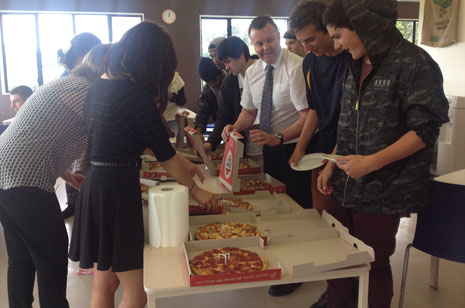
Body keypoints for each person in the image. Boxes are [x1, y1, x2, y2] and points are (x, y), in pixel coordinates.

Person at [68, 22, 217, 308]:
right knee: (137, 295)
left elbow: (132, 138)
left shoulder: (99, 85)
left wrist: (180, 161)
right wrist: (198, 193)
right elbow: (165, 155)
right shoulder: (135, 95)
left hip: (96, 183)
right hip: (117, 191)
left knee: (105, 283)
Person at [318, 1, 450, 307]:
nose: (336, 44)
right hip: (345, 182)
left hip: (384, 188)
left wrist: (370, 164)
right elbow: (348, 124)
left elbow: (424, 131)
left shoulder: (414, 63)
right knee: (338, 258)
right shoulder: (354, 64)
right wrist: (331, 162)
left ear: (365, 25)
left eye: (339, 35)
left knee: (373, 264)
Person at [0, 43, 110, 308]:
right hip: (25, 179)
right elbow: (101, 134)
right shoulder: (86, 90)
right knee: (52, 253)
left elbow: (38, 136)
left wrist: (70, 174)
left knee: (21, 258)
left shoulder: (66, 84)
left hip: (5, 172)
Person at [222, 16, 311, 297]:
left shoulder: (297, 66)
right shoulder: (253, 73)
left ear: (278, 37)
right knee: (274, 212)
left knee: (296, 214)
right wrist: (233, 129)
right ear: (252, 45)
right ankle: (279, 264)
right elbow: (249, 112)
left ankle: (298, 270)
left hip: (295, 149)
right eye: (258, 43)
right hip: (270, 150)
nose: (265, 47)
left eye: (270, 40)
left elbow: (307, 117)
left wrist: (280, 138)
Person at [58, 32, 102, 220]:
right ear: (85, 56)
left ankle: (80, 207)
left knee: (76, 174)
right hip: (72, 139)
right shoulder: (78, 82)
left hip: (72, 140)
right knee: (78, 173)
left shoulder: (73, 77)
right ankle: (76, 206)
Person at [202, 36, 256, 155]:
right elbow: (223, 116)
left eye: (228, 61)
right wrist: (211, 143)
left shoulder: (263, 71)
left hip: (273, 144)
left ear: (241, 54)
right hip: (246, 146)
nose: (226, 67)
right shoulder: (229, 82)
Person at [194, 57, 225, 135]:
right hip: (220, 129)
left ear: (220, 73)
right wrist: (199, 130)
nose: (212, 85)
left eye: (214, 81)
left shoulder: (232, 82)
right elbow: (203, 112)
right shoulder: (207, 89)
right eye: (208, 82)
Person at [164, 72, 187, 137]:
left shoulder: (177, 79)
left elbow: (183, 101)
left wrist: (174, 97)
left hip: (172, 119)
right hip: (156, 118)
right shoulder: (152, 77)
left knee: (171, 142)